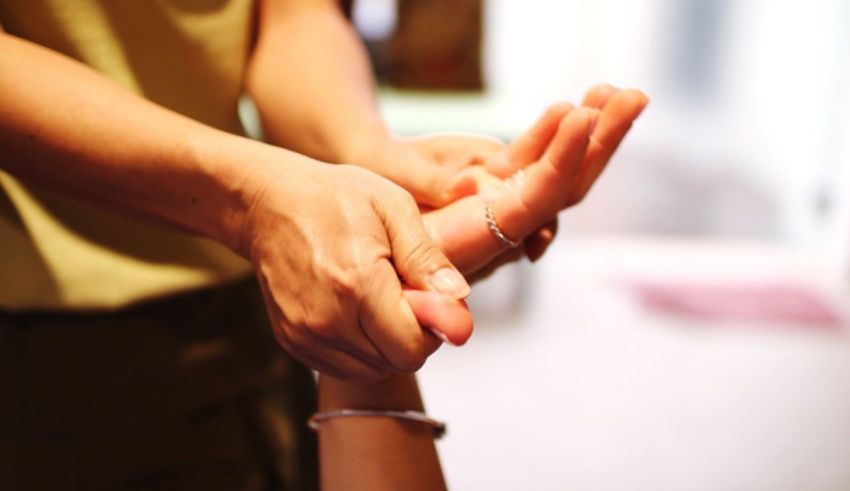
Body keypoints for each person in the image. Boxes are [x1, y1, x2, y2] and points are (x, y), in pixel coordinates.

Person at [0, 0, 646, 488]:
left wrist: (366, 158)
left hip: (234, 296)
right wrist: (246, 196)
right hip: (37, 319)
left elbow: (295, 16)